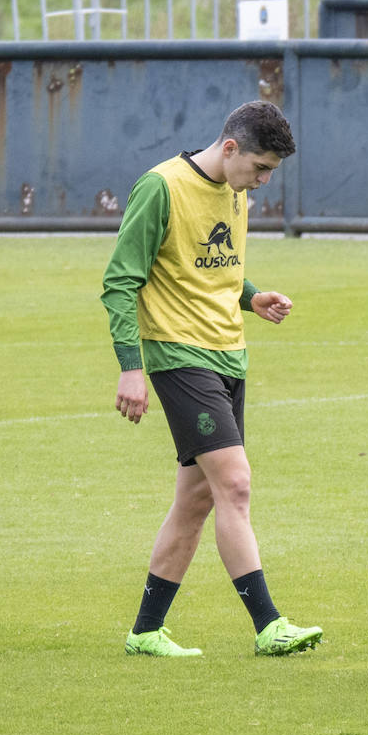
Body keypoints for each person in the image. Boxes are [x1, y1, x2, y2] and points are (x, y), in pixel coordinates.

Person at [102, 100, 323, 658]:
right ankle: (269, 625)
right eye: (260, 168)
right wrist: (132, 368)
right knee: (235, 484)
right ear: (230, 148)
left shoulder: (235, 190)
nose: (264, 181)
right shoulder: (161, 188)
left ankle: (146, 631)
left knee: (197, 500)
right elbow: (120, 281)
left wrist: (253, 297)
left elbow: (209, 263)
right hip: (180, 358)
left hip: (230, 355)